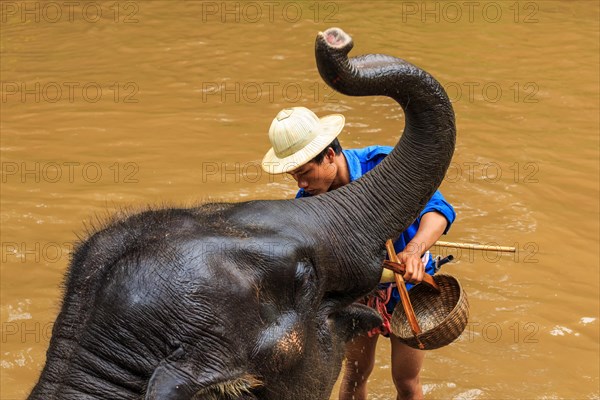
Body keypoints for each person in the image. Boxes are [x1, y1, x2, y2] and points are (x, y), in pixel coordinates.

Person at [261, 107, 456, 400]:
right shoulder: (309, 202)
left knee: (406, 380)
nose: (301, 184)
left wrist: (414, 251)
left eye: (304, 173)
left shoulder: (384, 166)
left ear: (328, 155)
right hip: (357, 294)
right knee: (355, 374)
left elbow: (439, 209)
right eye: (294, 176)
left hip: (409, 287)